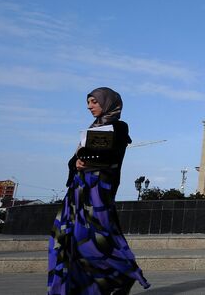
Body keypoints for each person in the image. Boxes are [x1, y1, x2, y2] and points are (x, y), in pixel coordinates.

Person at [48, 87, 150, 294]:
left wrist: (90, 161)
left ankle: (121, 277)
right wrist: (76, 163)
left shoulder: (118, 128)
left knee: (97, 240)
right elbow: (73, 159)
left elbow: (113, 156)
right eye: (88, 102)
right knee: (64, 239)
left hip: (97, 194)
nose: (89, 107)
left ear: (108, 102)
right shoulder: (92, 128)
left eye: (94, 102)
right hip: (78, 192)